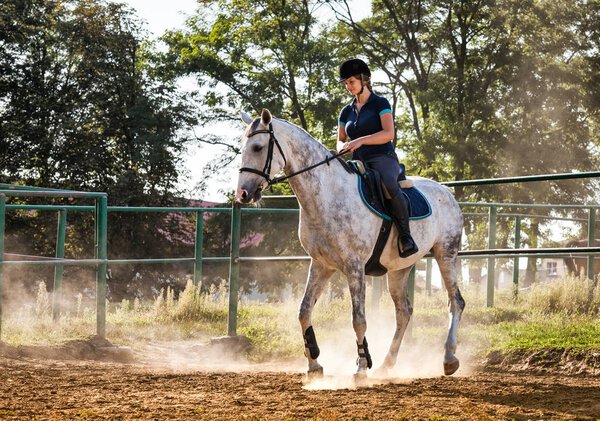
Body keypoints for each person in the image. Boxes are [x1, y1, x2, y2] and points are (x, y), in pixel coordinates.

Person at [337, 58, 418, 258]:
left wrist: (361, 141)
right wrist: (342, 148)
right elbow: (340, 140)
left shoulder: (380, 103)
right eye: (346, 83)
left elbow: (389, 133)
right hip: (357, 161)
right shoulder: (346, 111)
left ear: (364, 80)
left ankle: (405, 236)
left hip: (383, 157)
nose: (348, 86)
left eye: (351, 82)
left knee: (389, 184)